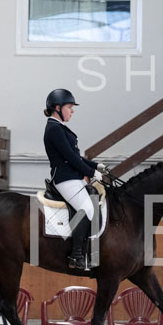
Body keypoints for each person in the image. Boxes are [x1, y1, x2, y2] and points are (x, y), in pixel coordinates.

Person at [42, 88, 107, 269]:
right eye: (69, 107)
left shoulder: (59, 127)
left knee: (95, 201)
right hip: (65, 179)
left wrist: (95, 166)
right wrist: (91, 173)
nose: (72, 111)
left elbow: (76, 157)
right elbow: (70, 158)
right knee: (87, 209)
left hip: (73, 178)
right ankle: (76, 256)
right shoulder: (54, 129)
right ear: (57, 108)